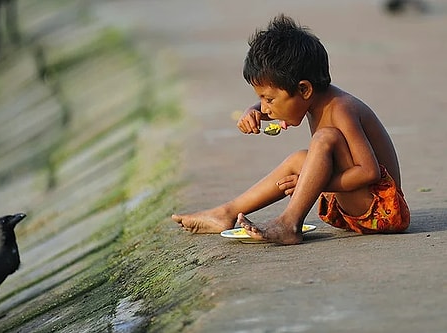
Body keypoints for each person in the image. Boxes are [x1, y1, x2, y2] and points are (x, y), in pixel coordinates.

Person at [171, 14, 410, 245]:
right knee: (299, 159)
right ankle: (227, 213)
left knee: (324, 138)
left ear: (304, 90)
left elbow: (369, 173)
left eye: (269, 99)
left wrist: (316, 183)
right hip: (358, 208)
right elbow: (284, 103)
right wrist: (253, 111)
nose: (266, 108)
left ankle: (289, 223)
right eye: (261, 99)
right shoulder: (313, 97)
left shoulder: (341, 110)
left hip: (383, 211)